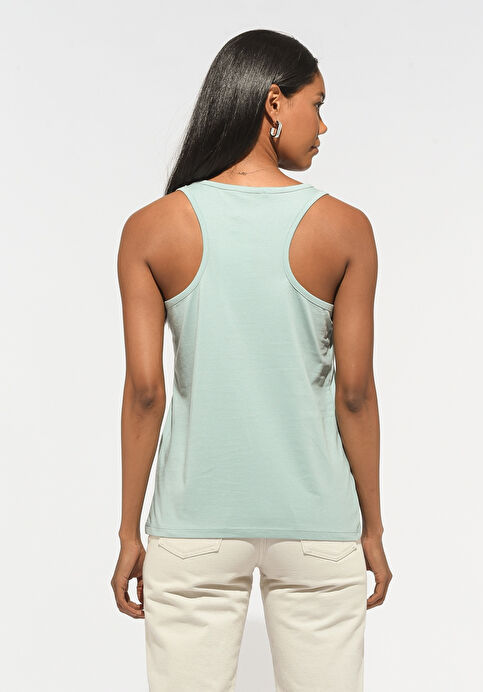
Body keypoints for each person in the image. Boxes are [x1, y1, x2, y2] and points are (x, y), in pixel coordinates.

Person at [110, 28, 392, 692]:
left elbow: (145, 392)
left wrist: (128, 533)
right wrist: (372, 529)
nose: (323, 126)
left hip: (193, 523)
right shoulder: (346, 228)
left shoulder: (151, 228)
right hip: (317, 522)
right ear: (273, 103)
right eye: (316, 104)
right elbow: (354, 392)